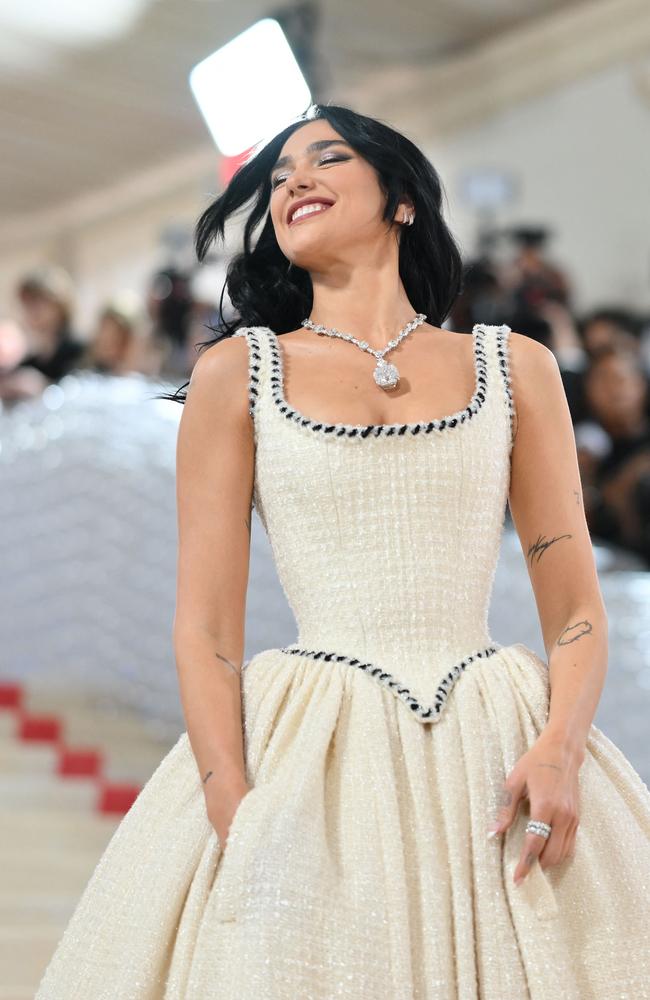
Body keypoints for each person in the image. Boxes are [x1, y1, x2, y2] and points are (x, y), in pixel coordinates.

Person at [35, 104, 650, 999]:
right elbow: (205, 625)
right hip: (311, 754)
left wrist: (558, 751)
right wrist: (231, 804)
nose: (294, 182)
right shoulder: (237, 374)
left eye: (325, 159)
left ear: (401, 198)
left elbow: (578, 611)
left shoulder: (517, 367)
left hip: (497, 742)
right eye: (280, 176)